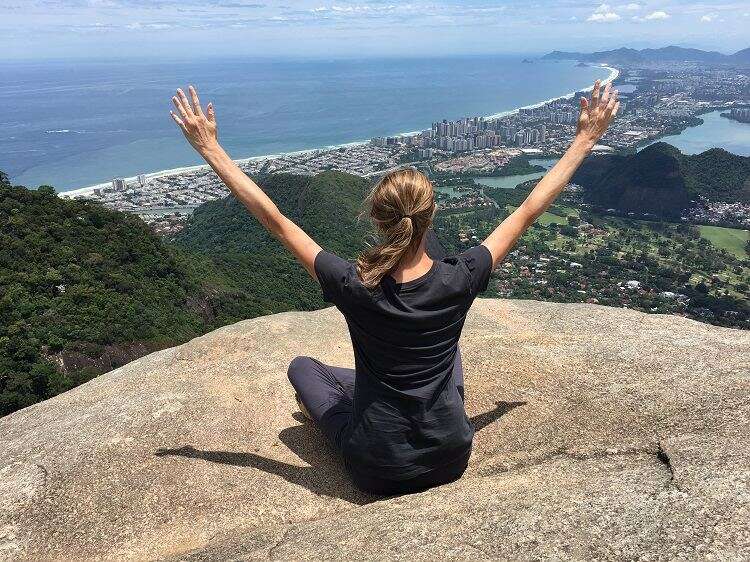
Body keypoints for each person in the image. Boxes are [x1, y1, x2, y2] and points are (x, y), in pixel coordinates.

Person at [170, 80, 619, 495]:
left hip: (377, 467)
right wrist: (586, 138)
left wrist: (210, 148)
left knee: (304, 369)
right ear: (430, 214)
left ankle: (362, 389)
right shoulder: (458, 277)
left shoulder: (353, 284)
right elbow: (527, 211)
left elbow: (277, 222)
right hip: (451, 456)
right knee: (448, 353)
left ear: (378, 221)